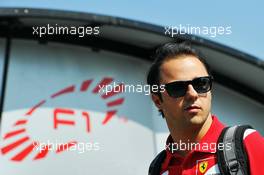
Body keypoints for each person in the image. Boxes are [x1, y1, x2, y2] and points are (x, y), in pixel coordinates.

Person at [147, 42, 264, 175]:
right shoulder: (158, 168)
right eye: (178, 87)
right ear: (157, 100)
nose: (192, 94)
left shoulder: (246, 143)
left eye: (201, 84)